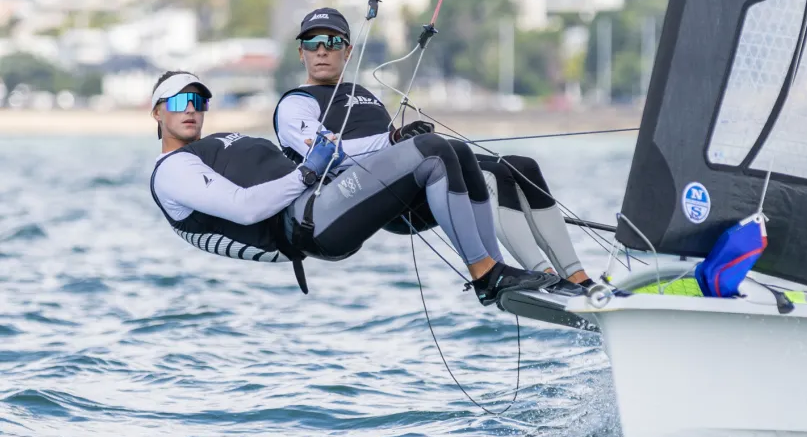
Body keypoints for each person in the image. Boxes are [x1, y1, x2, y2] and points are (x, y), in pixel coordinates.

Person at [148, 70, 561, 306]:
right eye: (180, 102)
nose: (192, 111)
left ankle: (507, 269)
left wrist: (346, 155)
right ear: (156, 112)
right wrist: (308, 173)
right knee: (431, 151)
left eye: (198, 102)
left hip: (326, 200)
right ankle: (488, 277)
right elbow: (245, 208)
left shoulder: (216, 144)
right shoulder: (171, 170)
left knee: (458, 153)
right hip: (307, 224)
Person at [273, 8, 595, 289]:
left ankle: (565, 277)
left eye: (332, 42)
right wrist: (394, 141)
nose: (322, 51)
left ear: (348, 51)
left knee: (514, 167)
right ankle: (485, 272)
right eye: (312, 43)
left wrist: (397, 141)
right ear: (301, 53)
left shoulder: (363, 95)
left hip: (406, 185)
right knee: (434, 148)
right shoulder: (296, 104)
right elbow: (328, 154)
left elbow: (391, 150)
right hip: (349, 203)